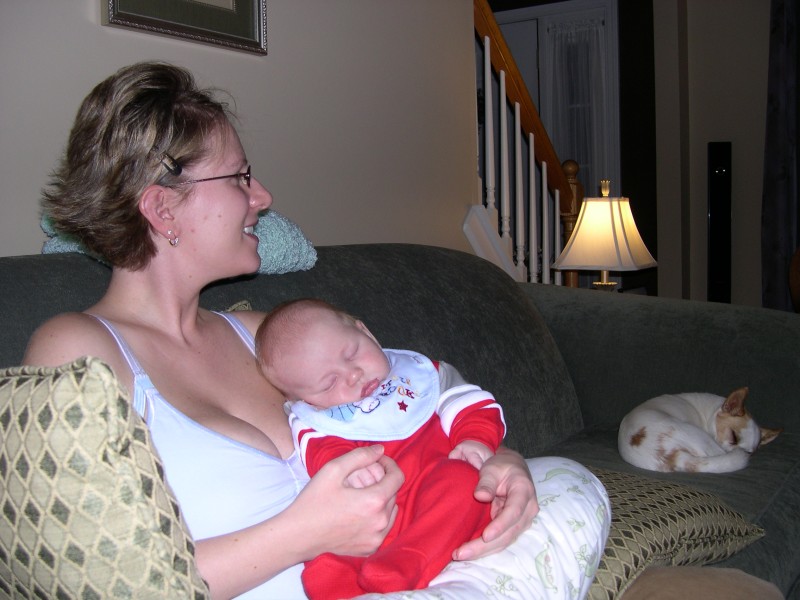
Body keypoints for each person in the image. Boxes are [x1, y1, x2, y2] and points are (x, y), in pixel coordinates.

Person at [21, 61, 607, 599]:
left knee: (566, 480)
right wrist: (303, 534)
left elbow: (409, 395)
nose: (263, 197)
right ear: (163, 209)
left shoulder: (264, 337)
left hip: (406, 569)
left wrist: (498, 459)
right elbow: (88, 585)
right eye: (239, 178)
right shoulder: (77, 349)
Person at [256, 298, 507, 598]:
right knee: (325, 563)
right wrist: (351, 470)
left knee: (465, 481)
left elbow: (469, 403)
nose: (353, 374)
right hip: (382, 515)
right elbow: (322, 451)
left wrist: (475, 439)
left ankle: (408, 565)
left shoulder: (421, 375)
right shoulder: (320, 421)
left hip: (443, 493)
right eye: (328, 383)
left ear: (367, 332)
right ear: (307, 402)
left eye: (352, 353)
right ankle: (354, 581)